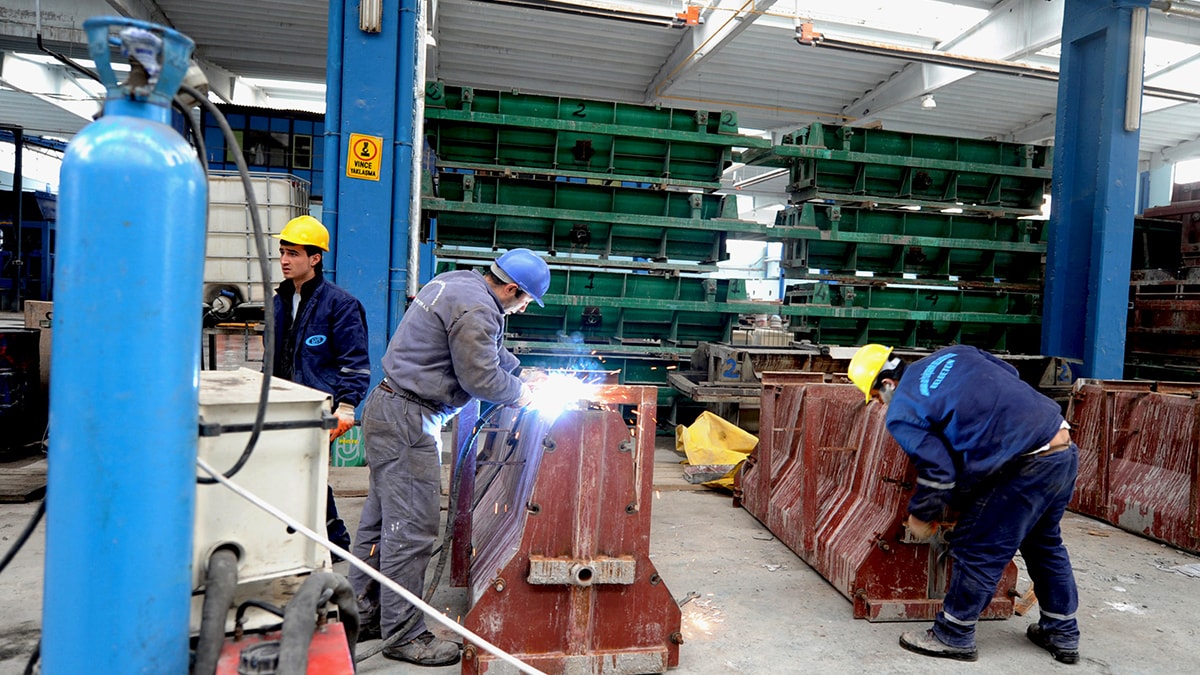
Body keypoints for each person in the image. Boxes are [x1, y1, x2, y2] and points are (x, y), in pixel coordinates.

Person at [350, 248, 549, 667]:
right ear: (512, 289)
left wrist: (519, 371)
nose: (523, 309)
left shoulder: (459, 282)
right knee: (411, 529)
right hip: (409, 419)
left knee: (383, 521)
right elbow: (480, 376)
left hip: (389, 407)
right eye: (526, 301)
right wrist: (521, 393)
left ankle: (364, 615)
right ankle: (404, 634)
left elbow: (480, 347)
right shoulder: (481, 309)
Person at [847, 343, 1080, 665]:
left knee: (977, 547)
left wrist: (921, 515)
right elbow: (1008, 375)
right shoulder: (955, 353)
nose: (878, 403)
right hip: (1062, 447)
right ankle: (1062, 633)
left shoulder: (903, 409)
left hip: (1026, 465)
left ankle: (953, 635)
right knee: (1044, 544)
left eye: (875, 395)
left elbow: (939, 473)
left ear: (886, 383)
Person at [270, 215, 371, 557]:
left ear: (315, 258)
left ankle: (333, 540)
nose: (284, 260)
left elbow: (354, 360)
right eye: (283, 252)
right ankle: (319, 540)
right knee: (289, 474)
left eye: (293, 253)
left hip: (317, 408)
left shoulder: (340, 305)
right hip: (281, 404)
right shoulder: (279, 302)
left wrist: (347, 406)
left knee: (307, 474)